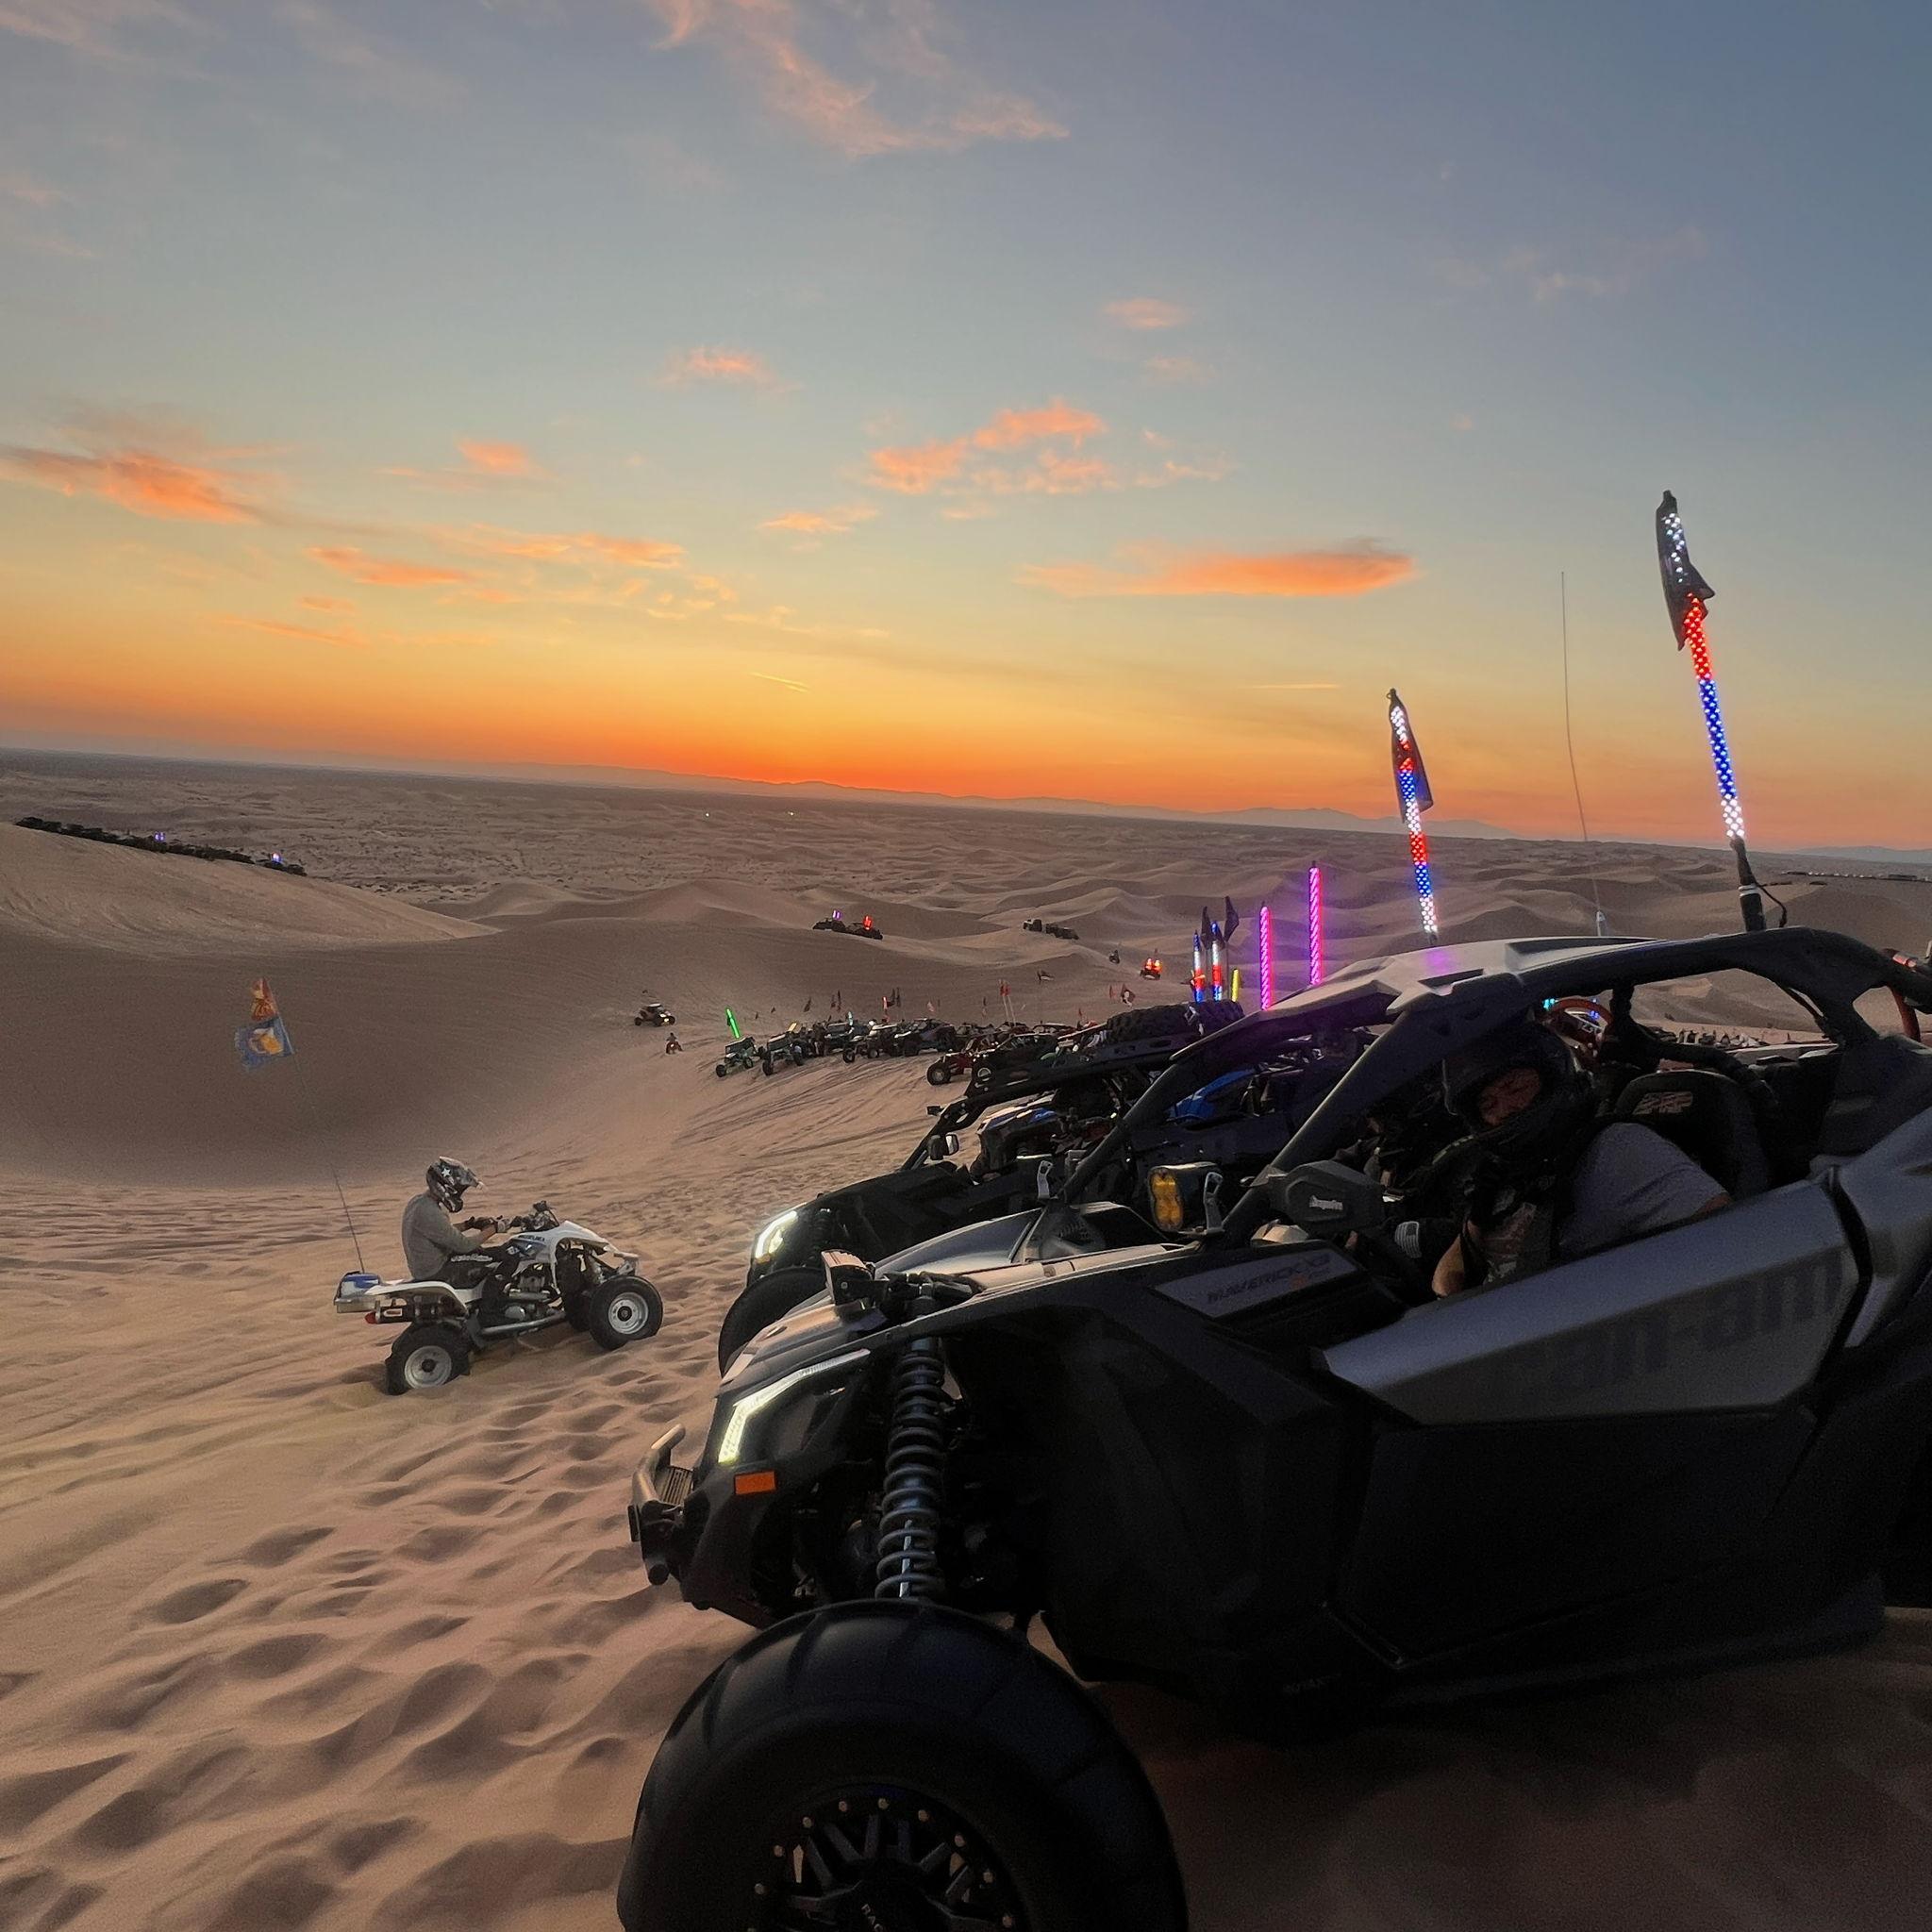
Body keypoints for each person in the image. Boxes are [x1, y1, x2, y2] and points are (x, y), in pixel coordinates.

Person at [1430, 1020, 1729, 1296]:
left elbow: (1725, 1237)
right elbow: (1453, 1267)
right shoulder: (1508, 1172)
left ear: (1551, 1077)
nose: (1505, 1109)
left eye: (1516, 1087)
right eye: (1488, 1104)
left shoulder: (1619, 1150)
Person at [401, 1158, 508, 1318]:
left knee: (483, 1253)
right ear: (446, 1187)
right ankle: (490, 1313)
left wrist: (469, 1224)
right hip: (438, 1271)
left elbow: (441, 1232)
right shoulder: (429, 1212)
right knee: (500, 1260)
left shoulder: (419, 1202)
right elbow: (464, 1245)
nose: (460, 1193)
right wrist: (495, 1229)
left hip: (426, 1269)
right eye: (459, 1189)